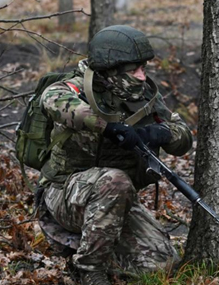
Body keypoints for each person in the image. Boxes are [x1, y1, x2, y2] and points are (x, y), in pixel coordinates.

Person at [37, 25, 193, 285]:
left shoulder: (144, 97)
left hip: (116, 203)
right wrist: (107, 127)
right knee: (115, 180)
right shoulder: (76, 88)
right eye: (134, 71)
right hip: (63, 195)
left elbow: (183, 137)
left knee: (161, 264)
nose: (143, 77)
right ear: (111, 71)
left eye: (143, 68)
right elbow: (52, 100)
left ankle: (95, 248)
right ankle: (88, 270)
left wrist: (161, 133)